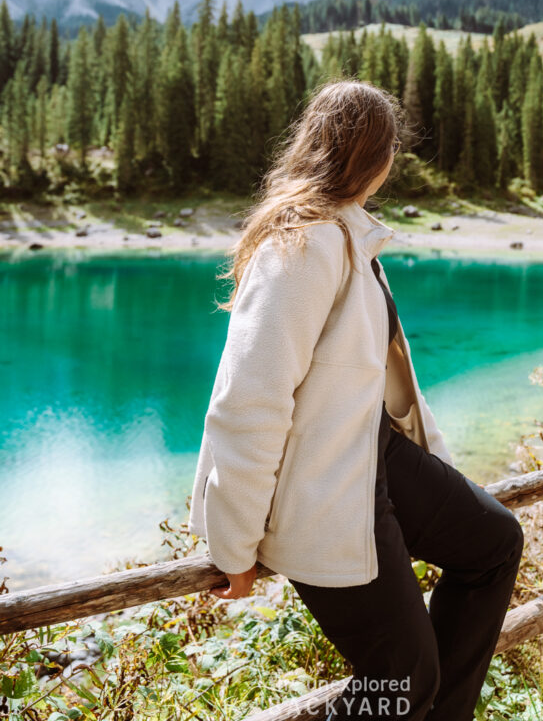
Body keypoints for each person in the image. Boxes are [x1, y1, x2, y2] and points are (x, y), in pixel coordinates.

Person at [188, 78, 524, 721]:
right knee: (403, 676)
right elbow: (248, 403)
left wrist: (439, 468)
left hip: (371, 457)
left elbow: (381, 385)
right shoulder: (301, 243)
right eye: (389, 149)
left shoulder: (350, 233)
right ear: (374, 156)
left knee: (493, 543)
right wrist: (232, 548)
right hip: (322, 484)